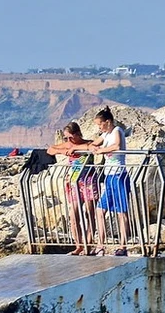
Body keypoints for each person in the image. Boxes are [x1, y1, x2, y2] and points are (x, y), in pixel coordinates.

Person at [47, 122, 97, 256]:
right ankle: (79, 244)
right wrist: (62, 150)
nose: (68, 140)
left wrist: (76, 149)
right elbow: (50, 149)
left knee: (89, 212)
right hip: (74, 181)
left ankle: (89, 243)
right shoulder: (68, 144)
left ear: (77, 134)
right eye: (66, 138)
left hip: (88, 180)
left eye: (70, 137)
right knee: (74, 215)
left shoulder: (87, 143)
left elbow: (92, 147)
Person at [90, 106, 130, 256]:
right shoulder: (105, 134)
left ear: (108, 121)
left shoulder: (116, 131)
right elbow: (94, 143)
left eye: (100, 124)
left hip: (119, 174)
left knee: (121, 212)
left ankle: (123, 245)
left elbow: (117, 145)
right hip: (109, 175)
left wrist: (100, 151)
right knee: (100, 210)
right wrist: (93, 147)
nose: (99, 127)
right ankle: (100, 244)